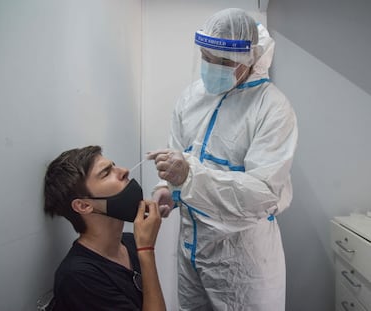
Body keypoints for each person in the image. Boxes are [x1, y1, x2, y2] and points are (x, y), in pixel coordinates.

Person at [148, 8, 298, 311]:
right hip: (191, 250)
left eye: (225, 62)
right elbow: (178, 156)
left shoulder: (272, 109)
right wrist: (170, 190)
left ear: (250, 58)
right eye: (206, 58)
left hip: (242, 260)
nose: (212, 68)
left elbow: (263, 193)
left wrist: (188, 178)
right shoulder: (191, 98)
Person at [44, 145, 166, 311]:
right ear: (84, 205)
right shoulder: (78, 277)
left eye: (114, 165)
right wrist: (146, 250)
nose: (124, 170)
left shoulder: (130, 242)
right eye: (106, 173)